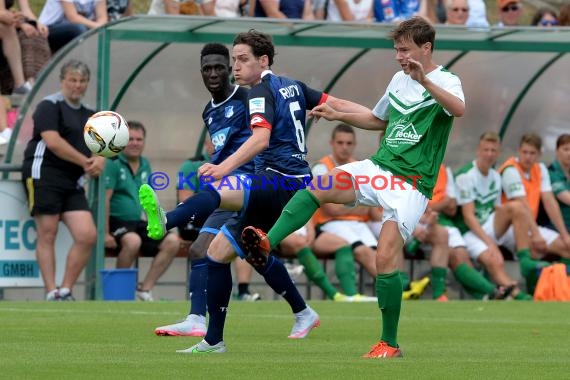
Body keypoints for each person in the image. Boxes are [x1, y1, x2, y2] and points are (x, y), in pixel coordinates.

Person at [243, 17, 465, 358]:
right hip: (379, 167)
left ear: (426, 48)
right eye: (396, 50)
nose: (399, 57)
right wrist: (337, 113)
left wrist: (426, 81)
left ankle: (389, 343)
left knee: (385, 256)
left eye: (404, 51)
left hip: (412, 184)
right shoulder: (398, 80)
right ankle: (267, 242)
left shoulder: (447, 80)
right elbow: (378, 120)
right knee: (320, 186)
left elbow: (459, 109)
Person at [140, 30, 369, 353]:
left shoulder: (260, 91)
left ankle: (168, 220)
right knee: (218, 253)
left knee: (223, 188)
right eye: (235, 59)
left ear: (263, 61)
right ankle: (216, 340)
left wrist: (222, 167)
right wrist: (378, 119)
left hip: (279, 179)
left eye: (242, 59)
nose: (236, 66)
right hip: (290, 181)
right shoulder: (294, 85)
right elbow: (338, 103)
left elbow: (261, 139)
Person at [153, 43, 259, 337]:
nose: (213, 73)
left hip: (250, 183)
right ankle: (197, 319)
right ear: (201, 72)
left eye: (219, 67)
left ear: (229, 69)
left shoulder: (248, 98)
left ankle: (167, 220)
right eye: (207, 68)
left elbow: (268, 132)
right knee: (200, 249)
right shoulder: (208, 112)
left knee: (255, 255)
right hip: (226, 187)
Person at [21, 60, 105, 301]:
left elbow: (101, 145)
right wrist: (85, 162)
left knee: (87, 234)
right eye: (72, 80)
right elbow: (53, 141)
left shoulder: (90, 113)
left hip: (73, 180)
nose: (77, 85)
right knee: (47, 232)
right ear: (62, 81)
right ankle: (51, 291)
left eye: (82, 81)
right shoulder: (49, 106)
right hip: (43, 175)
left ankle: (65, 290)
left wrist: (99, 159)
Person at [454, 132, 540, 297]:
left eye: (493, 150)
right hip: (469, 231)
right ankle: (518, 295)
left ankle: (525, 261)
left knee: (518, 209)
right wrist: (491, 244)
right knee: (495, 260)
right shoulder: (466, 175)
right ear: (478, 150)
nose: (489, 154)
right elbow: (468, 217)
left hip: (488, 226)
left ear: (498, 152)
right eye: (486, 150)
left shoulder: (495, 175)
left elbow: (497, 210)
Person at [104, 121, 180, 301]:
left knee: (172, 241)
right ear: (121, 141)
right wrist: (105, 233)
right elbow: (104, 200)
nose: (135, 143)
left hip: (136, 223)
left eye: (139, 139)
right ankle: (119, 293)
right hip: (116, 221)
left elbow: (149, 201)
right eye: (130, 139)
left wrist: (156, 225)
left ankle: (144, 290)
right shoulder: (112, 163)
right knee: (133, 241)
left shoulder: (145, 164)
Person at [311, 123, 378, 300]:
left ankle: (397, 292)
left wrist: (350, 205)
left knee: (381, 255)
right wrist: (359, 205)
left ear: (354, 145)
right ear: (331, 143)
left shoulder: (360, 167)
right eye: (340, 142)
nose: (344, 147)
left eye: (349, 143)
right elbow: (330, 209)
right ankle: (355, 295)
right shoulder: (321, 168)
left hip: (359, 224)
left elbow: (371, 206)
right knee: (363, 251)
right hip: (330, 225)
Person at [498, 133, 570, 277]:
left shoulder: (540, 169)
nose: (528, 157)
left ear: (539, 154)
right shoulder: (510, 169)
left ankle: (561, 289)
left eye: (532, 153)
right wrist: (537, 235)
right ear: (519, 151)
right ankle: (535, 290)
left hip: (530, 226)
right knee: (534, 248)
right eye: (525, 152)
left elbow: (550, 202)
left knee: (567, 246)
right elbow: (522, 204)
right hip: (508, 228)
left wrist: (565, 236)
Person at [39, 0, 108, 53]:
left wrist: (99, 27)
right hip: (49, 29)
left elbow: (102, 17)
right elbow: (73, 18)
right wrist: (97, 27)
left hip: (82, 28)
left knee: (102, 34)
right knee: (78, 29)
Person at [548, 134, 570, 232]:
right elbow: (566, 198)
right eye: (566, 149)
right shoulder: (551, 172)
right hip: (559, 226)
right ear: (557, 151)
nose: (569, 153)